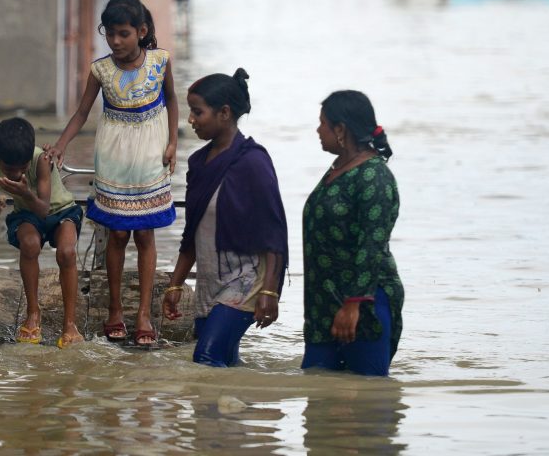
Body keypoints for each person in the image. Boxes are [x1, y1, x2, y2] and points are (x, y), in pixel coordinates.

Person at [47, 0, 178, 347]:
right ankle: (116, 310)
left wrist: (173, 144)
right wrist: (60, 145)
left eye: (123, 34)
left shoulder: (161, 61)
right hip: (114, 157)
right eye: (110, 34)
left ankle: (144, 314)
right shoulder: (99, 70)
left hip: (151, 156)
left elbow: (173, 102)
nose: (116, 42)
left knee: (146, 235)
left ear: (141, 32)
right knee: (118, 235)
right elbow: (80, 114)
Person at [162, 69, 288, 367]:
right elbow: (192, 231)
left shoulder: (253, 162)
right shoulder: (198, 163)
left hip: (246, 279)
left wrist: (270, 291)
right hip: (209, 280)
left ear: (225, 113)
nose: (190, 119)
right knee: (226, 363)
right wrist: (175, 285)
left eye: (197, 112)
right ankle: (233, 409)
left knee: (205, 357)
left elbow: (274, 233)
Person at [301, 90, 404, 376]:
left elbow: (371, 244)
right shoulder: (338, 168)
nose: (318, 130)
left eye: (323, 123)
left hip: (363, 305)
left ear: (341, 129)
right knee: (319, 397)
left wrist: (353, 305)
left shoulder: (375, 176)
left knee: (367, 399)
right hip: (323, 305)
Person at [0, 117, 84, 348]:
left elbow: (44, 208)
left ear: (30, 158)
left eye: (22, 167)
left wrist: (25, 192)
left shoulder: (40, 160)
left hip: (60, 211)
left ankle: (70, 323)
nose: (17, 173)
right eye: (10, 169)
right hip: (27, 216)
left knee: (67, 252)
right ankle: (33, 312)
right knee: (29, 245)